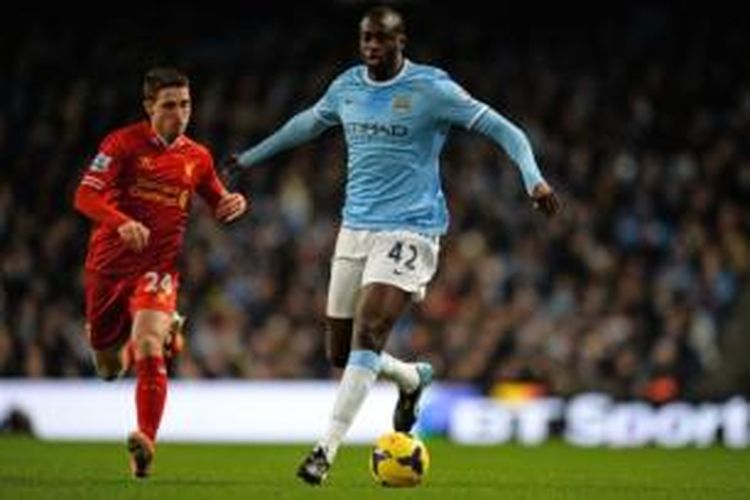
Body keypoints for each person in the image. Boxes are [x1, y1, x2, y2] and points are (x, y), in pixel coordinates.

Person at [227, 5, 559, 485]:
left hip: (411, 229)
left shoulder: (432, 89)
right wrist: (250, 158)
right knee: (341, 353)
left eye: (380, 40)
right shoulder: (347, 86)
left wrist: (535, 180)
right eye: (365, 39)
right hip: (354, 228)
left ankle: (325, 451)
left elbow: (505, 129)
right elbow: (306, 123)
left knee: (370, 331)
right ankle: (410, 378)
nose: (371, 48)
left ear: (401, 41)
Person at [74, 67, 248, 478]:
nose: (179, 113)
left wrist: (231, 204)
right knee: (109, 368)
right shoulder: (121, 144)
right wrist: (120, 221)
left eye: (185, 104)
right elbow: (84, 195)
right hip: (107, 268)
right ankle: (165, 333)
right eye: (169, 105)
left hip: (157, 270)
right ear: (149, 106)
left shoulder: (197, 157)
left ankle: (145, 442)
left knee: (149, 343)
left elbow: (217, 199)